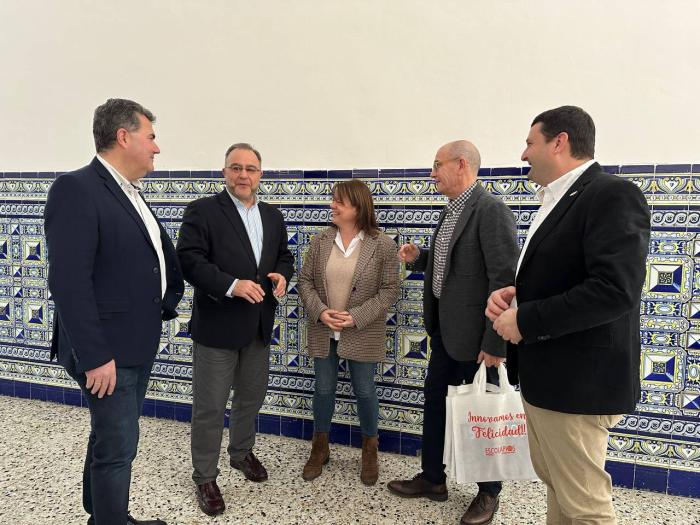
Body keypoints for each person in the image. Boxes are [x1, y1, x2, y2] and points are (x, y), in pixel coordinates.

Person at [487, 106, 651, 524]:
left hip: (578, 383)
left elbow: (614, 290)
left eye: (530, 143)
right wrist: (517, 295)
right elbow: (569, 276)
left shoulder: (611, 194)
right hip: (551, 380)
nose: (524, 154)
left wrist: (524, 320)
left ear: (559, 142)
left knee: (585, 505)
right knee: (560, 490)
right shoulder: (561, 197)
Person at [44, 98, 184, 525]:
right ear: (123, 137)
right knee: (119, 445)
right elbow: (68, 282)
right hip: (108, 352)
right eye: (151, 137)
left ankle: (101, 515)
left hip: (136, 342)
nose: (157, 148)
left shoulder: (129, 192)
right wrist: (95, 357)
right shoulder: (77, 189)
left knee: (110, 438)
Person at [387, 141, 518, 525]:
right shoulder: (451, 212)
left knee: (481, 413)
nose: (432, 173)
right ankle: (432, 479)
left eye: (437, 165)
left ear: (461, 164)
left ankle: (489, 493)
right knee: (436, 404)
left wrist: (495, 343)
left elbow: (504, 280)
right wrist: (421, 260)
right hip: (445, 333)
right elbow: (454, 270)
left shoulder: (491, 211)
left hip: (479, 341)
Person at [176, 143, 294, 516]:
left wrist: (282, 276)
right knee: (210, 408)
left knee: (251, 397)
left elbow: (284, 257)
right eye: (236, 168)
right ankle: (205, 477)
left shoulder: (273, 217)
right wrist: (232, 285)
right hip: (217, 327)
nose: (244, 175)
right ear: (224, 172)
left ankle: (241, 453)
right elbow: (189, 261)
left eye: (252, 169)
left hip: (259, 327)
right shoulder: (204, 211)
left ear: (261, 174)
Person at [297, 179, 400, 485]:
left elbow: (390, 290)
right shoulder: (320, 241)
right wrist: (320, 311)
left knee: (365, 391)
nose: (333, 206)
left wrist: (355, 317)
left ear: (358, 207)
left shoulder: (382, 245)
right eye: (333, 200)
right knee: (323, 389)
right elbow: (305, 282)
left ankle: (370, 449)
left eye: (339, 202)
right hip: (323, 330)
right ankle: (320, 447)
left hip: (363, 332)